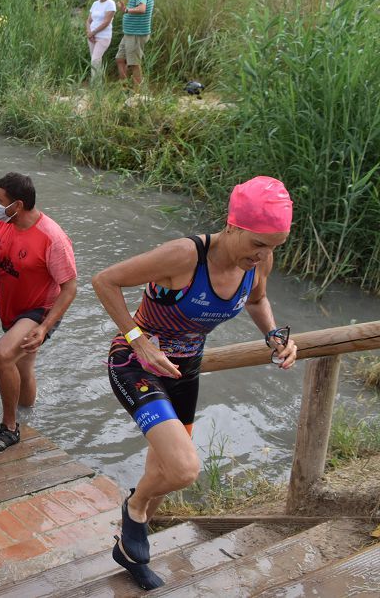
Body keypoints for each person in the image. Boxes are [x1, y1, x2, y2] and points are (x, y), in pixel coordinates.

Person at [91, 176, 298, 589]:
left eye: (275, 246)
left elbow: (257, 300)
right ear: (233, 225)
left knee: (164, 473)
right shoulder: (185, 256)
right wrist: (138, 339)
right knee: (184, 468)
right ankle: (132, 510)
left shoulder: (258, 262)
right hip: (136, 364)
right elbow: (105, 280)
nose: (264, 254)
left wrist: (275, 336)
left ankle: (130, 552)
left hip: (185, 370)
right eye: (259, 243)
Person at [0, 173, 78, 454]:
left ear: (17, 205)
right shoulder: (3, 224)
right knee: (23, 366)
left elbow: (70, 288)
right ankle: (29, 419)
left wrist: (44, 329)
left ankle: (9, 428)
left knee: (3, 354)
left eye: (0, 201)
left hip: (39, 311)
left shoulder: (52, 238)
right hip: (13, 311)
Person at [115, 0, 155, 87]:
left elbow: (142, 8)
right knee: (120, 59)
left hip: (136, 33)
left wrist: (126, 10)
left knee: (134, 64)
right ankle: (124, 89)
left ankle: (137, 96)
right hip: (130, 33)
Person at [86, 0, 116, 82]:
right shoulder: (95, 4)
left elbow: (106, 22)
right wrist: (89, 32)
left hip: (103, 36)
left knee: (95, 60)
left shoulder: (110, 3)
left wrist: (93, 32)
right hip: (91, 36)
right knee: (95, 61)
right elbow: (89, 20)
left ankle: (95, 85)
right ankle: (98, 85)